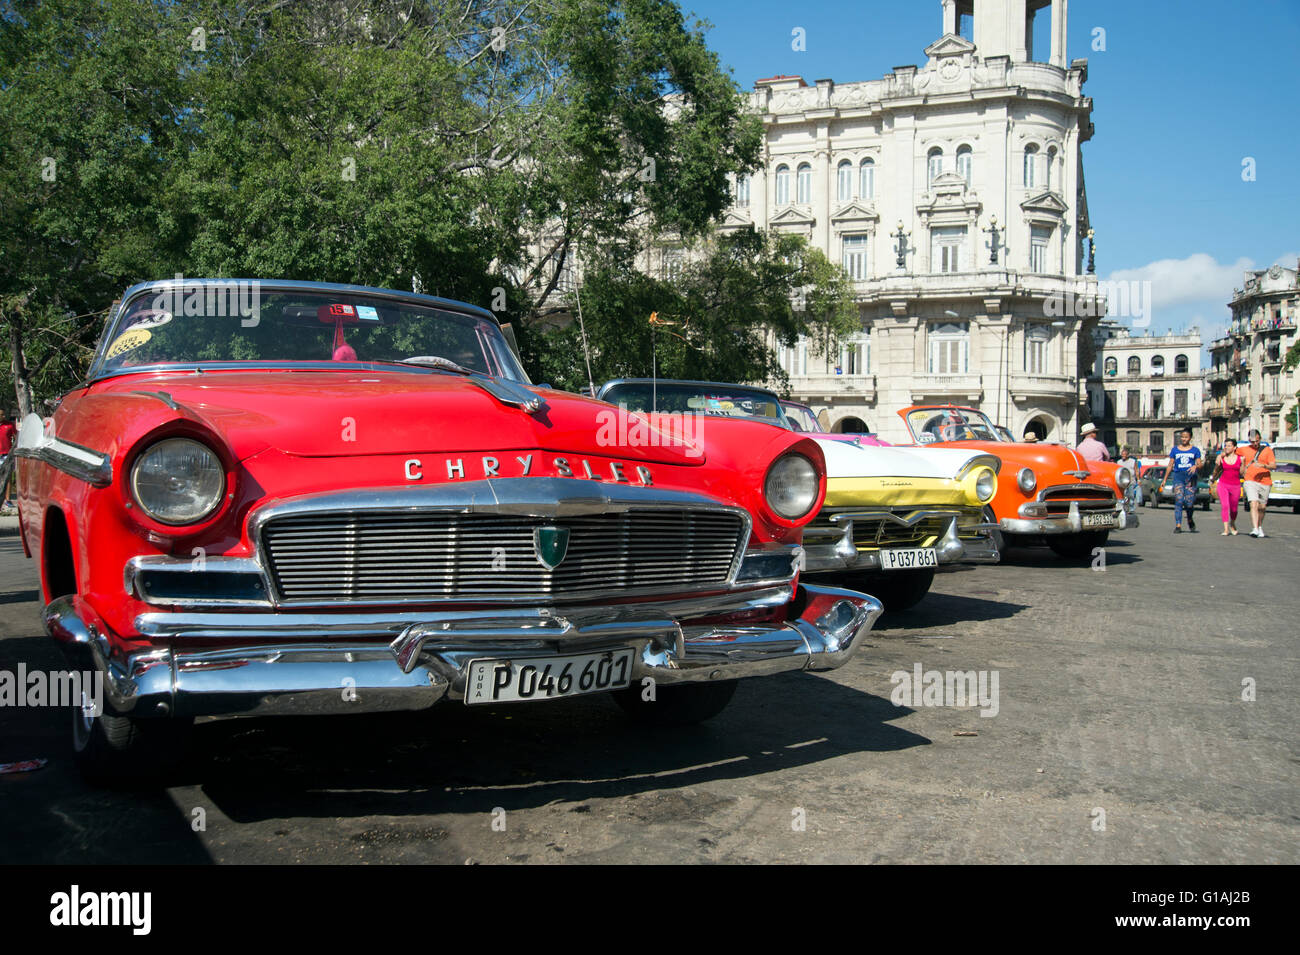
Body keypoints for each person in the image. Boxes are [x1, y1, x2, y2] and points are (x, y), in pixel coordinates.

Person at [1238, 429, 1276, 538]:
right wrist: (1220, 456)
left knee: (1262, 507)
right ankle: (1254, 528)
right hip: (1250, 480)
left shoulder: (1267, 450)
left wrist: (1263, 466)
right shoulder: (1243, 449)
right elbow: (1229, 451)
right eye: (1253, 441)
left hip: (1265, 481)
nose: (1255, 443)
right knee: (1253, 504)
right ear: (1249, 440)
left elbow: (1273, 466)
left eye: (1257, 441)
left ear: (1260, 439)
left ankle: (1259, 526)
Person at [1166, 428, 1202, 533]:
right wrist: (1165, 479)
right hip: (1178, 477)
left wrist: (1196, 466)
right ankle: (1178, 525)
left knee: (1189, 503)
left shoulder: (1195, 450)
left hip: (1191, 478)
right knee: (1179, 500)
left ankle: (1190, 519)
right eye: (1182, 437)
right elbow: (1170, 465)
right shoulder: (1175, 450)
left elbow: (1200, 464)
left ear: (1190, 437)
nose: (1184, 439)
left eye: (1186, 437)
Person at [1210, 438, 1242, 535]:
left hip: (1235, 485)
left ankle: (1232, 523)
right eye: (1226, 445)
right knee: (1225, 506)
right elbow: (1216, 470)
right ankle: (1226, 529)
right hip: (1223, 484)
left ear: (1234, 447)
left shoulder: (1240, 459)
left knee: (1234, 509)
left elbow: (1242, 473)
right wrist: (1213, 478)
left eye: (1229, 445)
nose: (1226, 447)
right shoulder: (1222, 458)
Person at [0, 412, 17, 513]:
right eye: (1, 414)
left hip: (7, 454)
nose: (3, 416)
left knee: (8, 478)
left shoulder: (10, 425)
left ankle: (8, 499)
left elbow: (16, 438)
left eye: (3, 414)